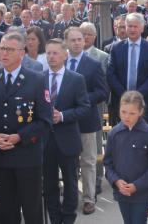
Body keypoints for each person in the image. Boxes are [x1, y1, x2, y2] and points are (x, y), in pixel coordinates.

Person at [0, 32, 51, 224]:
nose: (4, 53)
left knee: (32, 210)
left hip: (27, 156)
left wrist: (19, 136)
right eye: (2, 49)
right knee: (8, 212)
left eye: (9, 49)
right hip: (0, 157)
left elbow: (45, 121)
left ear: (22, 53)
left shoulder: (37, 79)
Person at [42, 39, 91, 224]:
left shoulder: (76, 79)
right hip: (46, 140)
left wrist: (62, 116)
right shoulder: (40, 77)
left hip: (67, 139)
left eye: (55, 53)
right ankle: (55, 218)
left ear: (65, 55)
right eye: (48, 53)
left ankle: (69, 218)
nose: (51, 57)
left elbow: (84, 107)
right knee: (49, 183)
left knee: (71, 182)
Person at [64, 28, 108, 215]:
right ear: (66, 42)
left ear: (84, 42)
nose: (76, 43)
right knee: (68, 162)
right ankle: (71, 197)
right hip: (65, 121)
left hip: (87, 121)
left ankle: (89, 198)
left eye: (79, 39)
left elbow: (102, 92)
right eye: (72, 40)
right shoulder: (60, 62)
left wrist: (82, 100)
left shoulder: (93, 64)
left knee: (88, 161)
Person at [106, 91, 148, 224]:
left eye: (132, 113)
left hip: (142, 193)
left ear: (141, 112)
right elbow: (108, 163)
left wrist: (137, 185)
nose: (126, 116)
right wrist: (116, 181)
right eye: (123, 112)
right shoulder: (114, 134)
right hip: (121, 191)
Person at [108, 12, 148, 124]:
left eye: (135, 26)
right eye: (129, 26)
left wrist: (138, 94)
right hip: (120, 100)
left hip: (144, 100)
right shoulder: (116, 48)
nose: (132, 29)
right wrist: (125, 94)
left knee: (144, 137)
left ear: (142, 28)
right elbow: (111, 74)